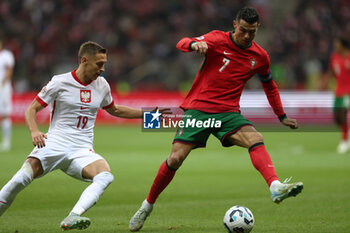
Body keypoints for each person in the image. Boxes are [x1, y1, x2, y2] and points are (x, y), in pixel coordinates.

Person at [129, 7, 303, 232]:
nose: (247, 36)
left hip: (228, 113)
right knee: (175, 158)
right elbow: (181, 42)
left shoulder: (260, 56)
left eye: (252, 32)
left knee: (255, 138)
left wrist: (281, 115)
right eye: (243, 30)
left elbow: (269, 85)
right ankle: (147, 205)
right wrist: (194, 44)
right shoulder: (216, 39)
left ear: (257, 29)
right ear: (234, 25)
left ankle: (275, 186)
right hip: (198, 109)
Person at [0, 41, 147, 231]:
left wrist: (148, 114)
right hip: (54, 143)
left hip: (82, 149)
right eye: (99, 64)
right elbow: (32, 109)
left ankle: (73, 216)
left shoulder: (102, 85)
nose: (103, 69)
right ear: (84, 60)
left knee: (105, 176)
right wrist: (34, 131)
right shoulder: (60, 82)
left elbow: (116, 110)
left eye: (104, 64)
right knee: (19, 180)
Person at [326, 35, 350, 153]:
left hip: (348, 92)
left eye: (337, 43)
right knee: (337, 118)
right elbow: (332, 73)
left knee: (342, 114)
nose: (335, 46)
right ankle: (347, 131)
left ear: (342, 45)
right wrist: (330, 84)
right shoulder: (334, 57)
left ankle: (344, 141)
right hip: (338, 91)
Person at [0, 36, 15, 152]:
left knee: (5, 114)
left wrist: (2, 83)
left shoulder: (7, 56)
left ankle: (6, 142)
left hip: (3, 89)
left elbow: (9, 71)